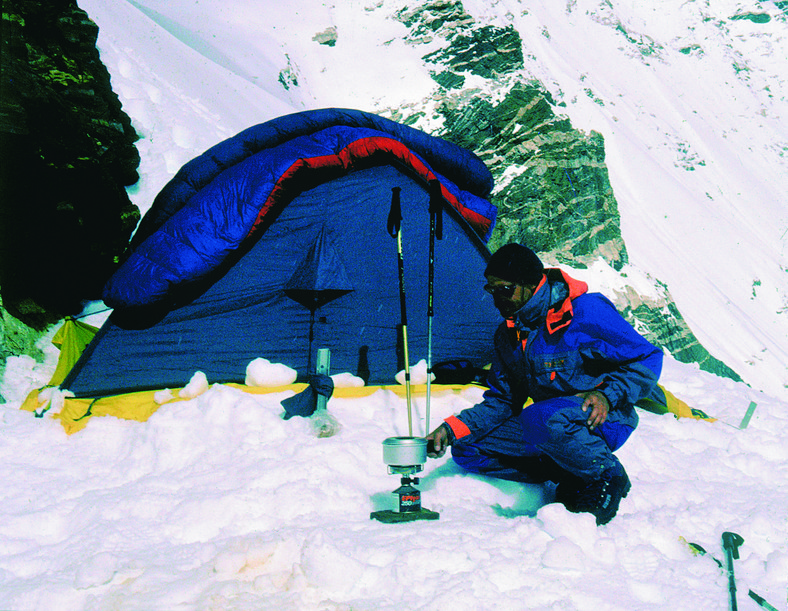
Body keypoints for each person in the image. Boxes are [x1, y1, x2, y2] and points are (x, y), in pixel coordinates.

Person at [426, 243, 663, 525]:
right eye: (491, 290)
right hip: (549, 425)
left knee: (539, 416)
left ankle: (605, 475)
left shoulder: (586, 312)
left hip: (605, 418)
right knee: (468, 448)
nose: (497, 299)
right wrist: (451, 429)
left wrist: (608, 395)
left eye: (505, 289)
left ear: (529, 284)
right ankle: (568, 473)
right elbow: (503, 400)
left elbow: (647, 357)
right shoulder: (508, 335)